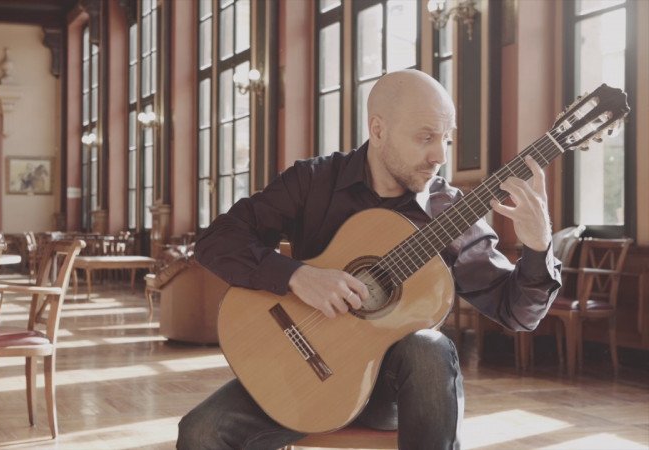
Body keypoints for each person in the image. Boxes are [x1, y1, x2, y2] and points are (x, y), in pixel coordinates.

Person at [177, 69, 562, 449]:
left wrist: (539, 247)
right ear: (377, 130)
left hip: (391, 391)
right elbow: (216, 241)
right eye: (425, 137)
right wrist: (297, 276)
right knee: (200, 433)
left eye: (446, 139)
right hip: (298, 375)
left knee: (429, 348)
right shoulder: (314, 181)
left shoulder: (451, 215)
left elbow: (519, 314)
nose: (439, 156)